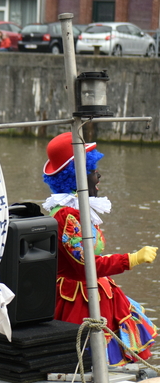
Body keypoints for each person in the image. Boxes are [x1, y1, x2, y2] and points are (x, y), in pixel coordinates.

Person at [42, 132, 157, 366]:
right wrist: (131, 259)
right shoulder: (67, 217)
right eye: (93, 171)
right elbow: (86, 266)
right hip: (79, 300)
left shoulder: (78, 210)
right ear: (78, 177)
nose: (98, 176)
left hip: (97, 291)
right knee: (90, 358)